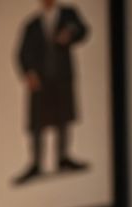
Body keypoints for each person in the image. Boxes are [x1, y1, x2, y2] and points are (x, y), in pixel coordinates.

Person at [14, 0, 89, 184]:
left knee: (62, 118)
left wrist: (69, 34)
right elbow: (22, 52)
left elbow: (83, 30)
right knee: (38, 122)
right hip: (41, 81)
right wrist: (29, 73)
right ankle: (36, 162)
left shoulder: (68, 14)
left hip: (61, 77)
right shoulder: (32, 24)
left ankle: (63, 157)